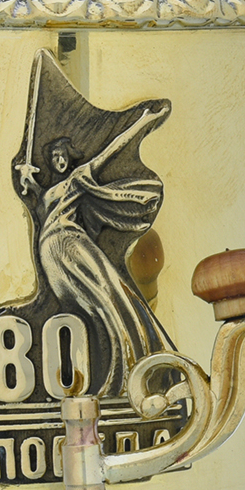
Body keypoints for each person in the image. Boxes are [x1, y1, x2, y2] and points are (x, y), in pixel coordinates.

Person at [31, 109, 174, 394]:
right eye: (54, 157)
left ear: (70, 157)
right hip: (52, 249)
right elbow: (39, 206)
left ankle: (128, 371)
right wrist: (28, 180)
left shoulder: (79, 176)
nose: (59, 160)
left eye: (62, 155)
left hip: (70, 240)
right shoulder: (46, 193)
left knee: (110, 295)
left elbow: (111, 150)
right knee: (97, 304)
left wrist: (144, 120)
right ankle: (124, 371)